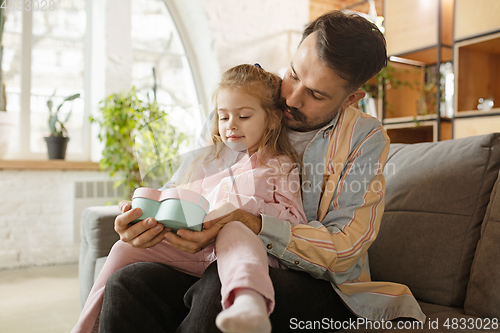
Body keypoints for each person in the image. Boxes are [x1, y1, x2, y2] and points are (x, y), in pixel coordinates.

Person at [99, 10, 426, 333]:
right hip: (213, 258)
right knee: (128, 282)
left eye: (315, 94)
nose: (292, 98)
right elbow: (187, 183)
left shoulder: (364, 138)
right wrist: (152, 221)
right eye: (294, 74)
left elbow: (344, 248)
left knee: (223, 287)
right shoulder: (245, 104)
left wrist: (253, 224)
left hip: (318, 283)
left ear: (350, 98)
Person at [72, 64, 310, 333]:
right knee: (123, 249)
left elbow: (293, 221)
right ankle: (84, 326)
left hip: (241, 253)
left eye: (243, 116)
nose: (231, 125)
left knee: (233, 226)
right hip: (195, 250)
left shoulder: (279, 167)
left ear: (273, 119)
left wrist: (244, 213)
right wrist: (146, 211)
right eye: (223, 117)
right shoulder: (207, 161)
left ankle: (248, 303)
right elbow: (177, 197)